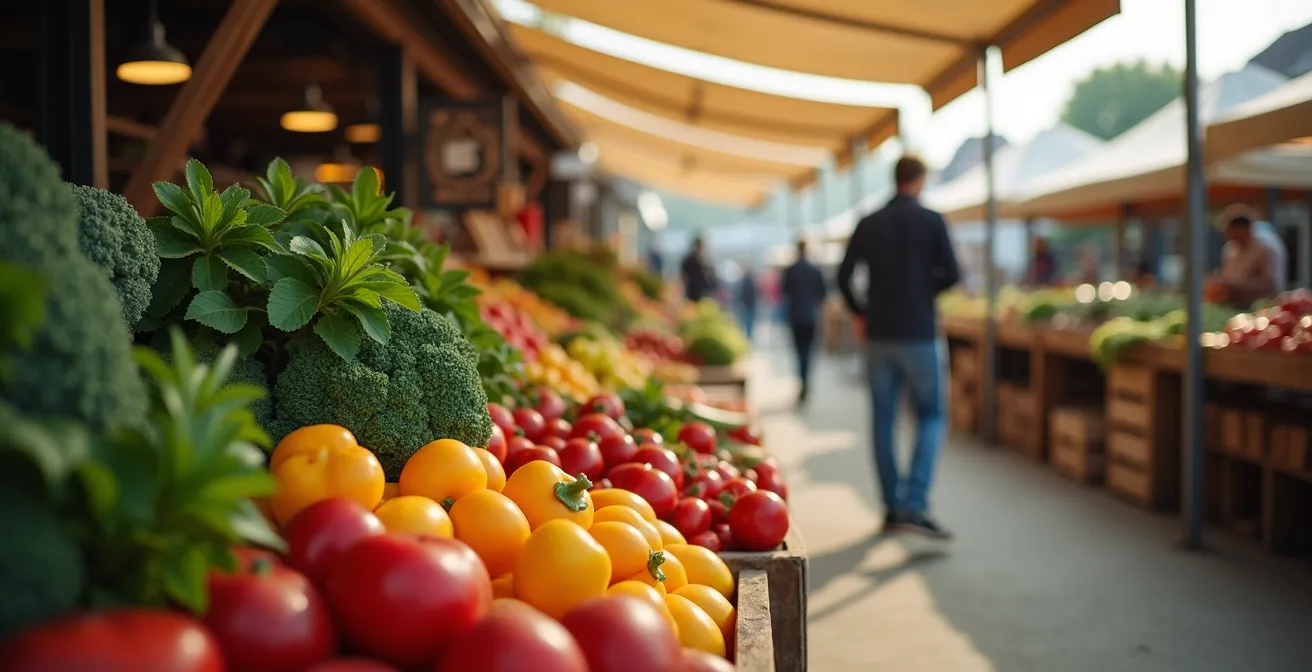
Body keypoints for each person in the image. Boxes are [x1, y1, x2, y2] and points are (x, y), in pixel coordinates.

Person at [837, 155, 960, 539]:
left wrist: (861, 311)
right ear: (920, 180)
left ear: (895, 179)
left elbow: (844, 276)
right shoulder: (932, 221)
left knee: (883, 420)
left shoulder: (870, 222)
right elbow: (953, 274)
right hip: (920, 333)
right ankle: (916, 504)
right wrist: (924, 293)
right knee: (931, 415)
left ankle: (892, 508)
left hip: (878, 334)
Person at [1208, 204, 1283, 308]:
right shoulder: (1230, 249)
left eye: (1230, 231)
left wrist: (1236, 285)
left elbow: (1272, 285)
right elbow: (1228, 277)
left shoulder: (1265, 248)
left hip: (1260, 307)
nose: (1227, 235)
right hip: (1232, 304)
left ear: (1242, 229)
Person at [781, 240, 827, 404]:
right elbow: (823, 293)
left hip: (795, 315)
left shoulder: (790, 270)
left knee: (799, 351)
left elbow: (784, 291)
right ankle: (806, 381)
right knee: (808, 351)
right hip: (811, 316)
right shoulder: (814, 270)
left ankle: (802, 381)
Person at [680, 236, 715, 302]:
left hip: (703, 290)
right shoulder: (690, 260)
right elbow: (684, 276)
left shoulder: (703, 259)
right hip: (694, 290)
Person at [738, 267, 759, 341]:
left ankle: (747, 336)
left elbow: (741, 294)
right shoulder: (752, 282)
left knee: (746, 321)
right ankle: (749, 336)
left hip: (746, 305)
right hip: (751, 304)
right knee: (750, 322)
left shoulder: (743, 282)